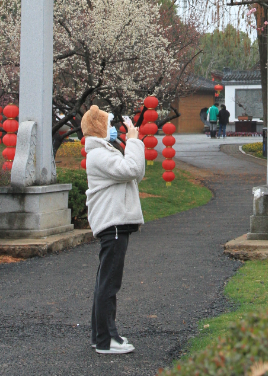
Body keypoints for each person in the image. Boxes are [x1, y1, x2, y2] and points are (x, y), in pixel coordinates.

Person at [82, 104, 145, 355]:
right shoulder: (100, 155)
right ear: (98, 129)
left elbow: (133, 175)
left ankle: (101, 337)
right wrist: (133, 141)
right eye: (108, 125)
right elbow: (132, 169)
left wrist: (131, 144)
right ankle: (107, 340)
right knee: (109, 282)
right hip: (113, 222)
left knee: (105, 280)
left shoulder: (102, 151)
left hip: (115, 222)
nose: (112, 129)